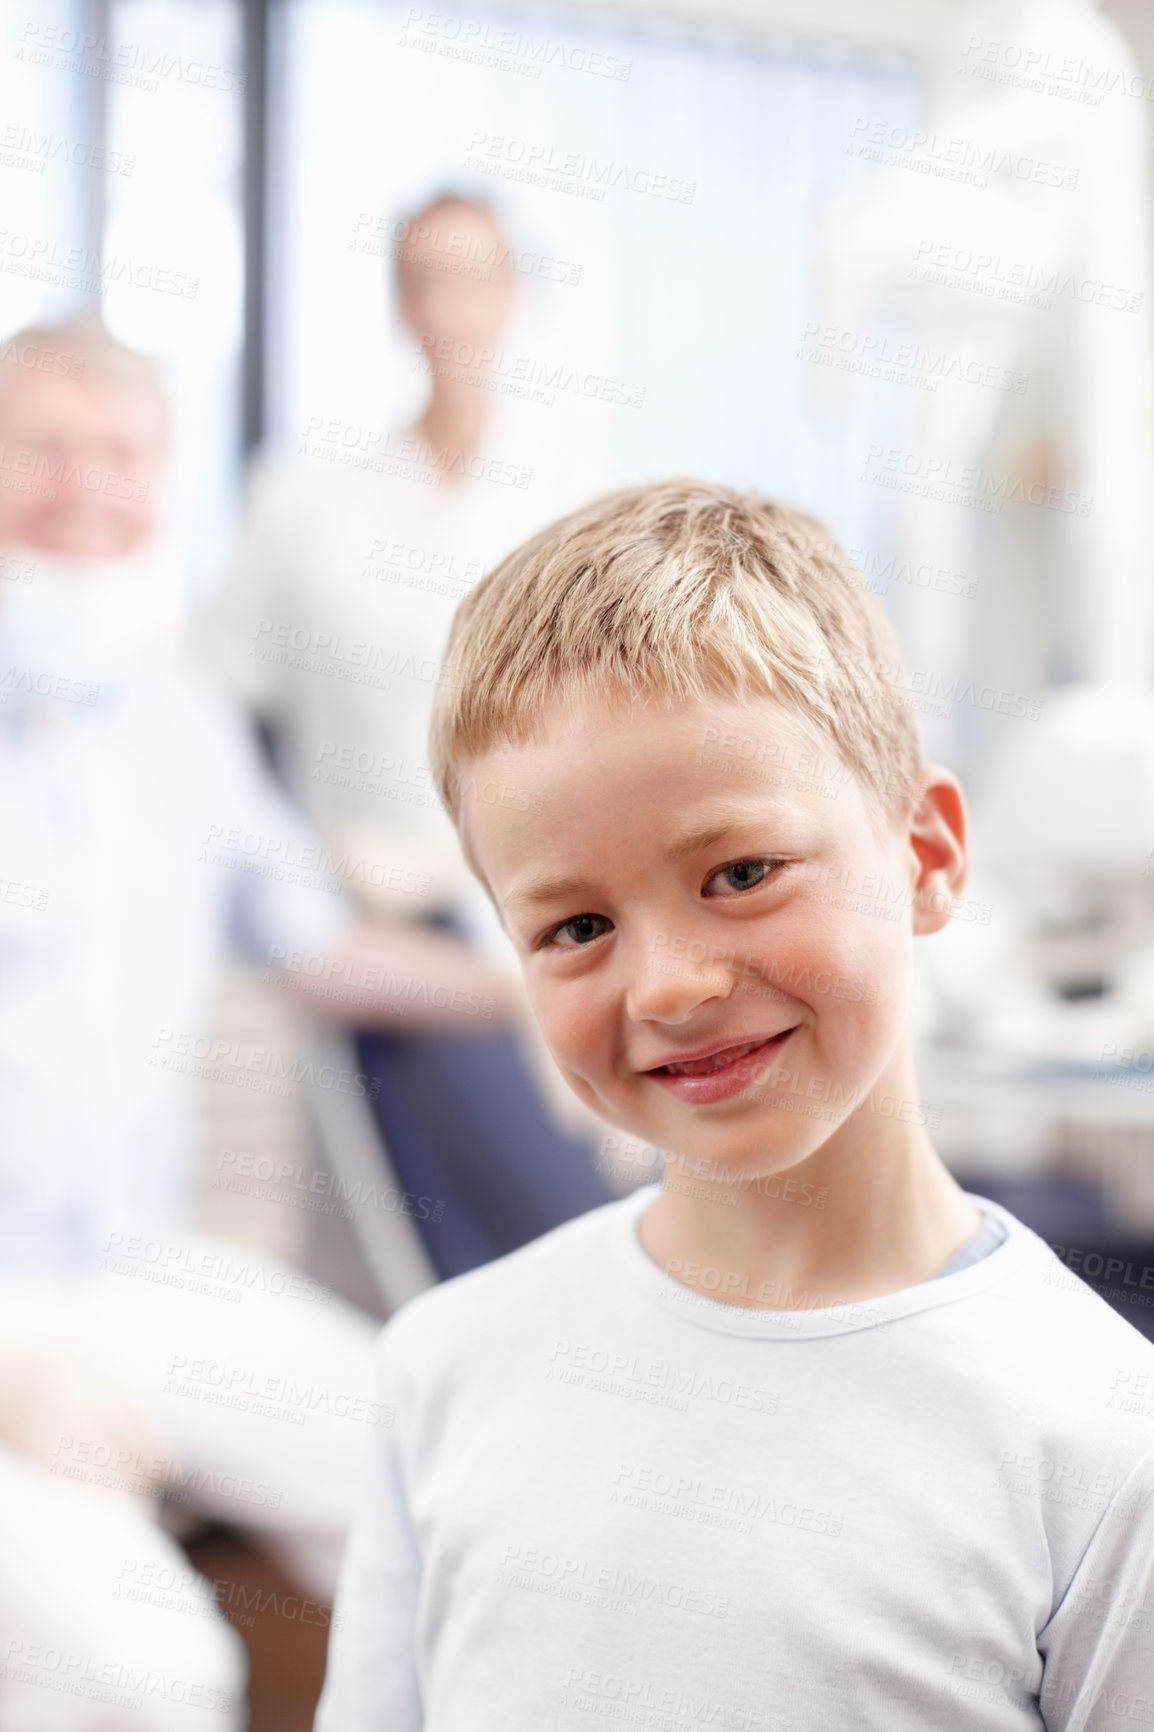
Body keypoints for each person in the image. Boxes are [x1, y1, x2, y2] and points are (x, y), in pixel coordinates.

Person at [316, 479, 1154, 1729]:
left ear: (924, 856)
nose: (668, 983)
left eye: (741, 872)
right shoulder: (444, 1373)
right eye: (576, 925)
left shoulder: (1095, 1442)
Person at [0, 317, 510, 1731]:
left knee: (451, 1497)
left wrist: (545, 977)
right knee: (152, 1675)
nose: (84, 487)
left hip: (136, 1267)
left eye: (120, 456)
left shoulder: (180, 723)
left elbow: (321, 945)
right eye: (43, 449)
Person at [209, 193, 615, 1277]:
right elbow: (219, 719)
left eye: (475, 275)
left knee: (584, 1213)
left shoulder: (579, 507)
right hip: (371, 923)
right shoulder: (305, 503)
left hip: (536, 909)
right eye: (426, 277)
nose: (451, 305)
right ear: (398, 300)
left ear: (514, 296)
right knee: (479, 1235)